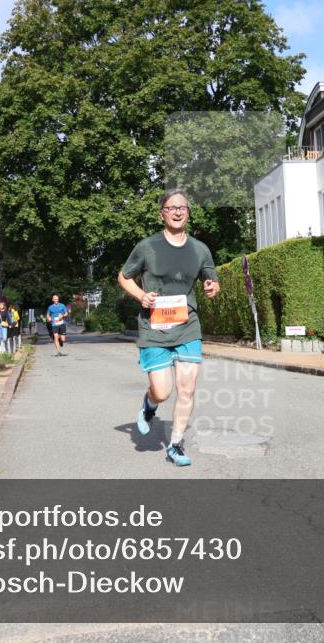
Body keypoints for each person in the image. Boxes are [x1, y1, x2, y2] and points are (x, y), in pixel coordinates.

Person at [117, 189, 220, 467]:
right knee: (162, 392)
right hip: (155, 326)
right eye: (171, 207)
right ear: (162, 213)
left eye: (182, 208)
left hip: (187, 325)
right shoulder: (147, 246)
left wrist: (212, 287)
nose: (177, 212)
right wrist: (141, 296)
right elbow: (124, 277)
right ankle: (150, 406)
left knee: (186, 389)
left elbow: (212, 280)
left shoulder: (200, 249)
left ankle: (175, 444)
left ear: (188, 212)